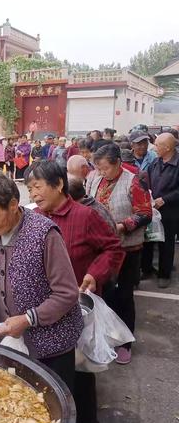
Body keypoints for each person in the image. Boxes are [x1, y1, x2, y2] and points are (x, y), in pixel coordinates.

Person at [0, 174, 83, 394]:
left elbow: (67, 293)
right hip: (8, 339)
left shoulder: (44, 234)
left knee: (51, 402)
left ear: (13, 204)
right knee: (13, 399)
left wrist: (28, 319)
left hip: (50, 343)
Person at [25, 161, 124, 423]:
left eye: (38, 186)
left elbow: (112, 248)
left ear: (58, 185)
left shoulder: (84, 216)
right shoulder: (34, 218)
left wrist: (95, 273)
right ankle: (55, 416)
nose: (33, 193)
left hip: (78, 304)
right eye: (30, 188)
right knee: (52, 367)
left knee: (80, 367)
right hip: (47, 306)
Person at [87, 144, 152, 364]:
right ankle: (107, 336)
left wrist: (124, 225)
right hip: (103, 248)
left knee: (124, 296)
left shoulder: (133, 181)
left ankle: (125, 342)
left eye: (105, 168)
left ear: (117, 163)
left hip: (127, 248)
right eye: (98, 168)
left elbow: (145, 213)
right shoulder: (95, 179)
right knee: (105, 294)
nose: (101, 172)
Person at [143, 132, 179, 288]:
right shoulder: (155, 163)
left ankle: (165, 274)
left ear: (168, 147)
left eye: (157, 145)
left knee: (167, 242)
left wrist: (165, 199)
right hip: (153, 208)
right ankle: (147, 269)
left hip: (171, 210)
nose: (154, 148)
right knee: (149, 239)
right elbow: (149, 182)